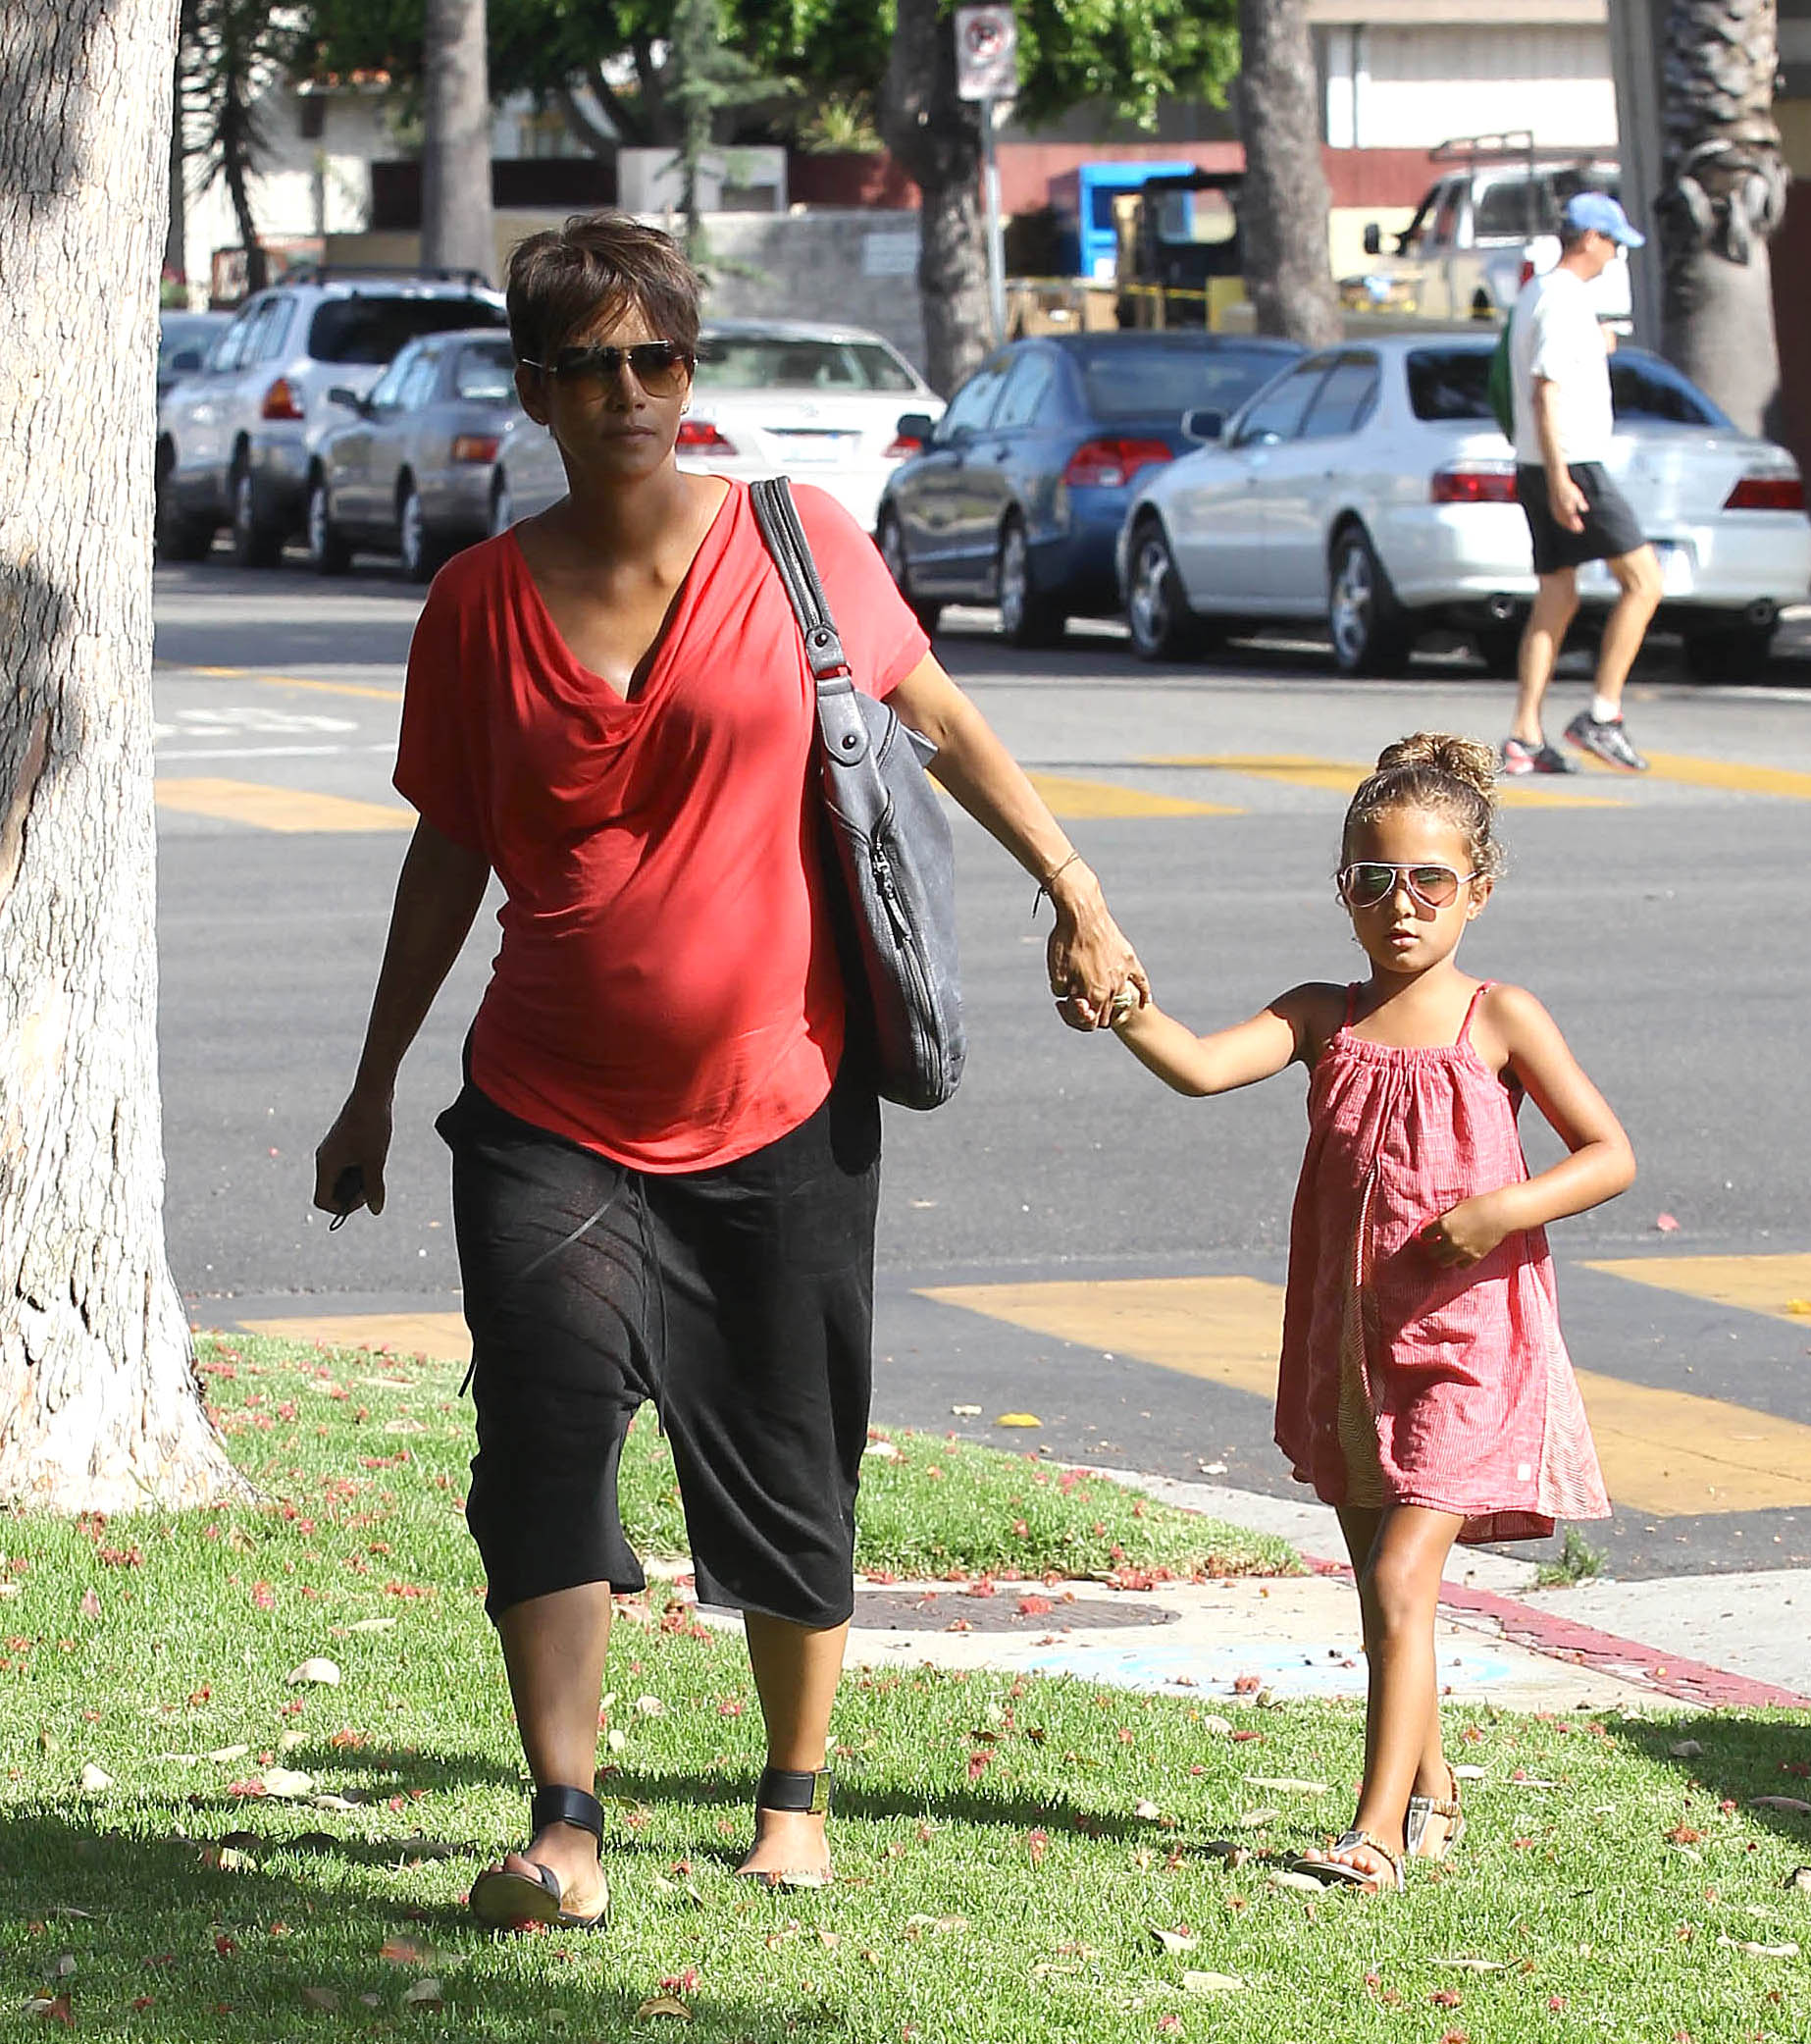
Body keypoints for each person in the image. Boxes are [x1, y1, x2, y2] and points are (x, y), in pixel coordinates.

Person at [312, 213, 1146, 1927]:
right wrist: (374, 1077)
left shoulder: (799, 541)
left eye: (662, 360)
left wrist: (1075, 888)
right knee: (538, 1442)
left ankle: (793, 1794)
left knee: (786, 1441)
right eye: (595, 366)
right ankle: (566, 1821)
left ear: (691, 371)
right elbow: (444, 858)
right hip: (542, 1100)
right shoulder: (477, 605)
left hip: (782, 1096)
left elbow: (941, 722)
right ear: (536, 390)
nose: (634, 394)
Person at [1103, 733, 1632, 1892]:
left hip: (1469, 1348)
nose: (1403, 906)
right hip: (1350, 1350)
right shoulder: (1320, 1016)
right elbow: (1195, 1064)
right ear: (1342, 890)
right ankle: (1433, 1791)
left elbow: (1607, 1156)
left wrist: (1503, 1209)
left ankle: (1377, 1835)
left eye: (1431, 881)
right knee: (1382, 1587)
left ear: (1478, 892)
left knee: (1402, 1579)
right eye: (1372, 881)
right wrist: (1121, 1004)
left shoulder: (1501, 1019)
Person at [1503, 193, 1660, 777]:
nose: (1616, 253)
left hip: (1538, 461)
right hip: (1575, 462)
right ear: (1589, 238)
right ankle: (1603, 714)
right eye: (1614, 242)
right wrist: (1563, 479)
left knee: (1558, 596)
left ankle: (1524, 735)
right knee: (1645, 582)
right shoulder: (1565, 301)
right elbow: (1546, 390)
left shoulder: (1538, 294)